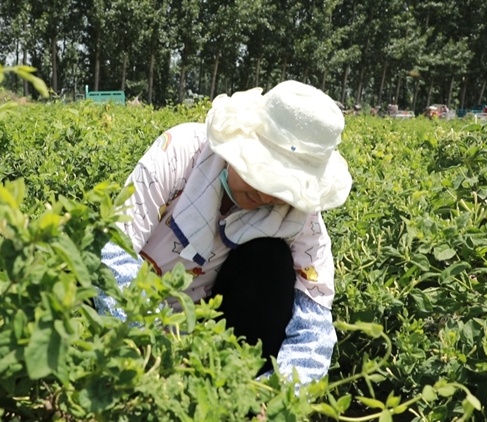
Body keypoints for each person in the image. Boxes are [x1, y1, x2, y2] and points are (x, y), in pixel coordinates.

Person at [95, 80, 353, 386]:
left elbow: (313, 320)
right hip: (137, 315)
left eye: (280, 186)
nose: (265, 195)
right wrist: (153, 351)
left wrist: (277, 398)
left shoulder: (300, 214)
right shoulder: (179, 151)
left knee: (270, 260)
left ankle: (235, 386)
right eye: (261, 170)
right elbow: (115, 249)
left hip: (209, 332)